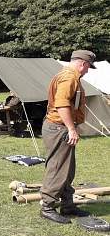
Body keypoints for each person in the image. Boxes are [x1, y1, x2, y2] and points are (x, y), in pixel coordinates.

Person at [40, 50, 95, 224]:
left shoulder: (68, 76)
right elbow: (62, 104)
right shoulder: (69, 78)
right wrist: (71, 129)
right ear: (83, 64)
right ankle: (47, 207)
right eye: (88, 67)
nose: (87, 71)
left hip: (60, 127)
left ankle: (68, 205)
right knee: (57, 167)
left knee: (67, 168)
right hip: (60, 128)